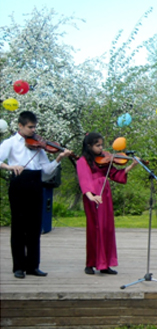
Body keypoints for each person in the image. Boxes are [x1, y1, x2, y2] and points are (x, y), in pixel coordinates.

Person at [0, 111, 72, 279]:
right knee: (18, 226)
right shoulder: (10, 143)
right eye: (29, 127)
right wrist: (10, 167)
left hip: (35, 182)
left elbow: (46, 170)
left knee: (34, 226)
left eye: (34, 127)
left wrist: (59, 158)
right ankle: (18, 267)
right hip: (19, 181)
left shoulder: (38, 146)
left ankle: (33, 266)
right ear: (20, 126)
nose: (33, 130)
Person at [77, 132, 138, 275]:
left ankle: (105, 264)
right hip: (93, 195)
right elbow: (84, 179)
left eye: (101, 145)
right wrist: (90, 195)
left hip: (104, 193)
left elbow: (115, 174)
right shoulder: (82, 161)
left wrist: (131, 166)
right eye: (98, 145)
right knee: (95, 228)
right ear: (89, 146)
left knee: (107, 228)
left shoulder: (103, 159)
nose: (101, 148)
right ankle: (91, 263)